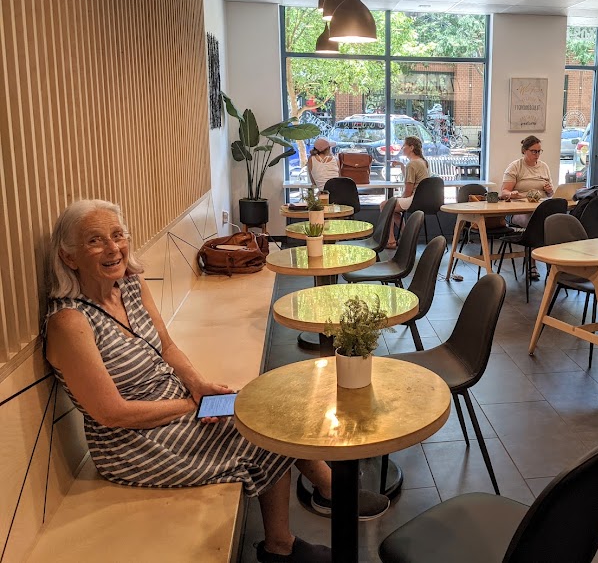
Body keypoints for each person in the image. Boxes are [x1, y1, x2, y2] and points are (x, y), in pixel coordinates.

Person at [43, 199, 389, 563]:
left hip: (173, 401)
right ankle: (293, 533)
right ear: (69, 257)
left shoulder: (129, 284)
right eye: (95, 241)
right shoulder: (69, 323)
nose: (113, 248)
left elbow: (166, 345)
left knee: (266, 407)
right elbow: (111, 414)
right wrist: (190, 405)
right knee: (262, 430)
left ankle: (319, 499)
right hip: (132, 443)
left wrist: (198, 385)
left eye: (118, 235)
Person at [500, 135, 554, 280]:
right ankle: (532, 263)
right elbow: (504, 192)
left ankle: (556, 264)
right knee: (536, 222)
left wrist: (549, 190)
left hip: (540, 208)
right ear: (524, 151)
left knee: (555, 221)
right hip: (518, 211)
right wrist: (512, 194)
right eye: (533, 151)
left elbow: (551, 194)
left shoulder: (544, 167)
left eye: (539, 151)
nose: (537, 154)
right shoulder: (515, 166)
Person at [381, 136, 429, 249]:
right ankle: (407, 236)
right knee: (393, 209)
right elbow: (412, 180)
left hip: (414, 199)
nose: (402, 148)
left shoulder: (412, 164)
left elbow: (408, 191)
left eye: (404, 146)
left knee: (385, 205)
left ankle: (391, 241)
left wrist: (399, 199)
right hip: (422, 199)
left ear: (411, 148)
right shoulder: (422, 162)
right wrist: (402, 166)